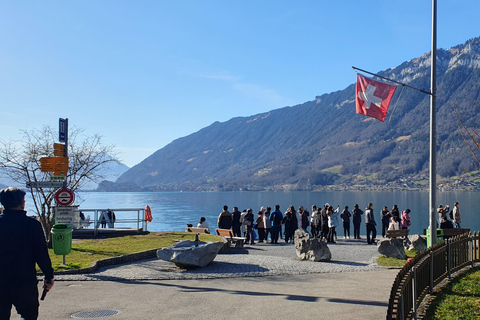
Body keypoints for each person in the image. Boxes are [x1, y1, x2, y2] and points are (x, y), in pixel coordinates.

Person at [0, 187, 54, 320]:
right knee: (29, 315)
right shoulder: (32, 225)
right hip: (24, 282)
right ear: (22, 203)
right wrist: (48, 275)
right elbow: (41, 253)